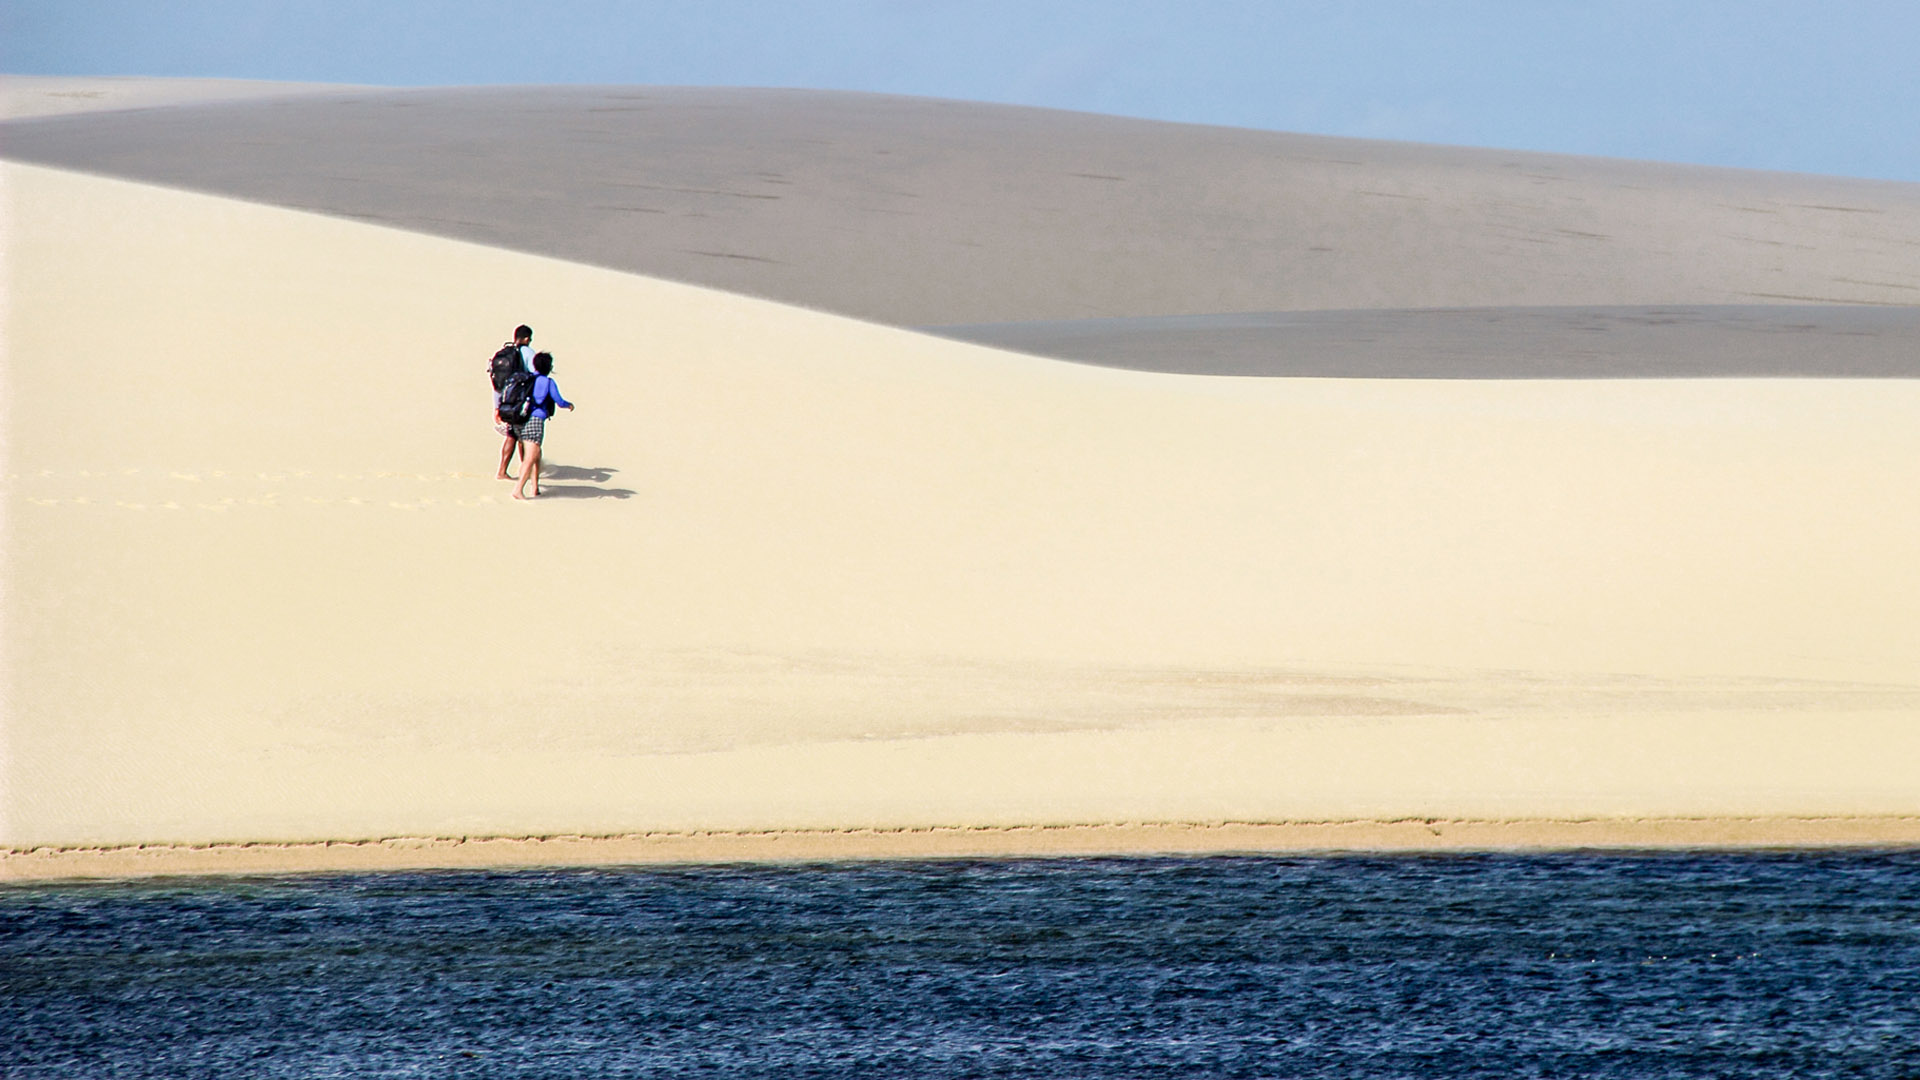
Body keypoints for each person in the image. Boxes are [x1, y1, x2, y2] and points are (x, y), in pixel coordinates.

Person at [513, 351, 576, 501]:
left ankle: (535, 487)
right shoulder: (548, 382)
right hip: (535, 421)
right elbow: (559, 401)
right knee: (530, 457)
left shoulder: (527, 378)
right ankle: (518, 489)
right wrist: (570, 405)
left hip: (520, 420)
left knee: (536, 455)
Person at [491, 325, 537, 480]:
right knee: (525, 436)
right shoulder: (528, 352)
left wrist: (497, 407)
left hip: (506, 401)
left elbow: (497, 381)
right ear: (525, 338)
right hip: (522, 400)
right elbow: (536, 375)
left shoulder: (505, 354)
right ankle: (526, 469)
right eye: (529, 338)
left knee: (511, 435)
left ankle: (502, 471)